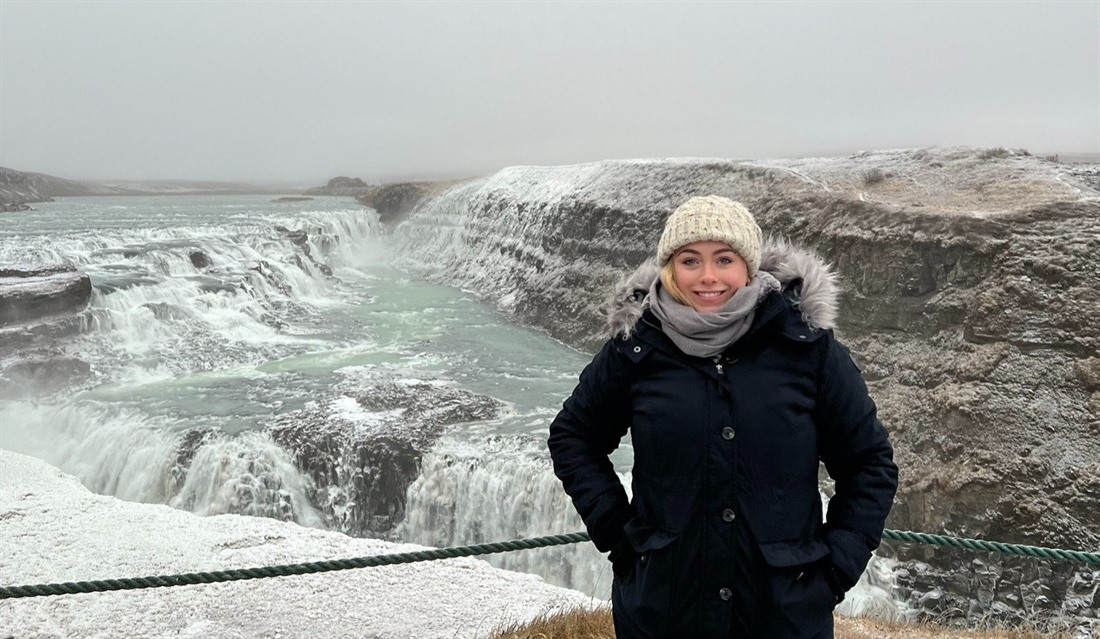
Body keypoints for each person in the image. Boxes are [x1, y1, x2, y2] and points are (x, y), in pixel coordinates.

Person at [547, 195, 898, 638]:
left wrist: (833, 569)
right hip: (662, 613)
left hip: (783, 617)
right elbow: (573, 437)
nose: (708, 276)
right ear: (670, 268)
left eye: (724, 259)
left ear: (749, 267)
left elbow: (869, 463)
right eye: (690, 260)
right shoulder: (637, 348)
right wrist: (621, 540)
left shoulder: (807, 348)